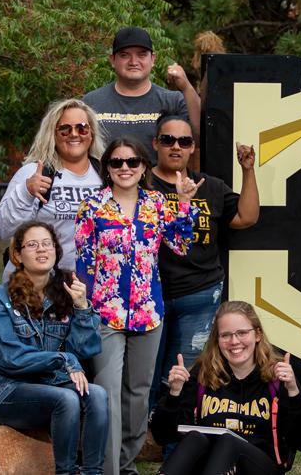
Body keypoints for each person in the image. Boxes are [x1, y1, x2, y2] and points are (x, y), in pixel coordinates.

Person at [74, 138, 200, 475]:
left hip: (148, 311)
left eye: (132, 162)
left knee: (138, 395)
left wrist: (184, 202)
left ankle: (127, 466)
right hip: (105, 312)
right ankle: (110, 469)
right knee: (109, 393)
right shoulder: (92, 206)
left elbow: (181, 245)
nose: (125, 168)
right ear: (108, 169)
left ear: (143, 167)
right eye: (117, 162)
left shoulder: (157, 204)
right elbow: (84, 261)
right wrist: (83, 306)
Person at [149, 117, 260, 409]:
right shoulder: (141, 184)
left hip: (198, 294)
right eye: (168, 140)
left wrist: (248, 170)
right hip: (149, 296)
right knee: (146, 375)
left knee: (182, 374)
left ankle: (171, 443)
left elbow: (246, 217)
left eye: (184, 141)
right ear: (155, 144)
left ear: (192, 148)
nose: (176, 147)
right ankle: (141, 437)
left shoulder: (208, 186)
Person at [0, 221, 107, 475]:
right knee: (67, 398)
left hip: (54, 384)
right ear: (17, 255)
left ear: (56, 250)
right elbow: (9, 358)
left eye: (47, 244)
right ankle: (66, 472)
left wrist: (83, 307)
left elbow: (85, 350)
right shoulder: (0, 299)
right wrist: (61, 360)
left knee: (98, 395)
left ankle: (93, 471)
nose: (41, 250)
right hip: (9, 390)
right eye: (32, 245)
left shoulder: (66, 290)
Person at [154, 301, 301, 474]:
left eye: (242, 333)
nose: (234, 341)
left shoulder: (277, 375)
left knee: (229, 441)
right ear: (217, 339)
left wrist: (293, 392)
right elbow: (162, 435)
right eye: (226, 335)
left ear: (258, 334)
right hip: (211, 465)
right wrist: (174, 393)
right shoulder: (203, 373)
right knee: (194, 438)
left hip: (259, 465)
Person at [0, 98, 105, 278]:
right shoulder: (34, 173)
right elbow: (2, 230)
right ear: (53, 134)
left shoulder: (106, 176)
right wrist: (26, 192)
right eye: (65, 129)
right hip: (35, 287)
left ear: (91, 133)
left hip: (87, 287)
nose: (74, 134)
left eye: (82, 127)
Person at [83, 26, 200, 158]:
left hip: (159, 179)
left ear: (153, 59)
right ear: (112, 60)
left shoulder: (173, 101)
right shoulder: (91, 102)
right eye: (124, 55)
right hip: (104, 178)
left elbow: (200, 137)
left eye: (142, 54)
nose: (133, 62)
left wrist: (187, 87)